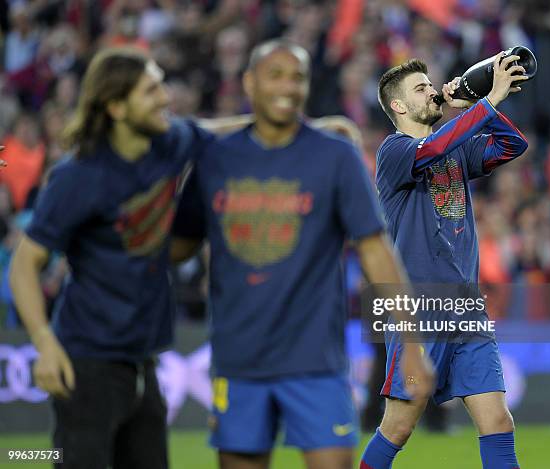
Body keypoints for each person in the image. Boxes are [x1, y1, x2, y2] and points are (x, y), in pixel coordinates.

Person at [171, 39, 434, 469]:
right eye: (275, 75)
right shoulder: (217, 160)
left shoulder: (334, 155)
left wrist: (410, 340)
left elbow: (376, 250)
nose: (288, 87)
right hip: (239, 358)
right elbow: (176, 246)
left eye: (297, 77)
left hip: (316, 358)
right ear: (249, 83)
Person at [7, 47, 244, 469]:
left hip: (143, 361)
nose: (165, 98)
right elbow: (25, 265)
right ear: (116, 106)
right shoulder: (77, 176)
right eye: (151, 90)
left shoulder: (169, 143)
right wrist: (44, 344)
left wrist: (307, 132)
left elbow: (219, 130)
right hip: (87, 365)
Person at [359, 54, 530, 469]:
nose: (432, 90)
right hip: (421, 308)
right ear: (399, 106)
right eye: (420, 88)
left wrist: (474, 105)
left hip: (466, 305)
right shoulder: (394, 152)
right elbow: (433, 146)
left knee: (498, 421)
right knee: (398, 426)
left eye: (428, 83)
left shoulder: (457, 151)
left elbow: (513, 145)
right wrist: (488, 103)